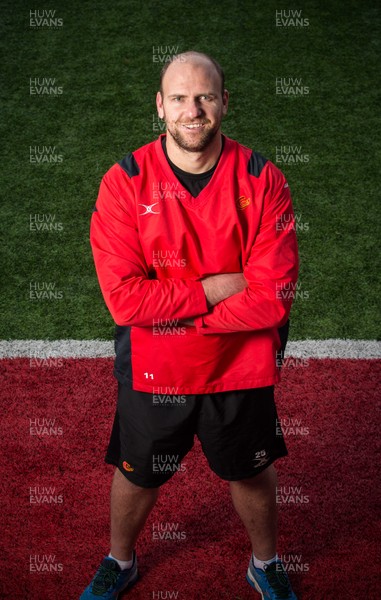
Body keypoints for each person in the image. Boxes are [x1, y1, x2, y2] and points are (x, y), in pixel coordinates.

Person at [81, 51, 299, 600]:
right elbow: (124, 301)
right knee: (139, 472)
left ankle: (265, 563)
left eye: (204, 97)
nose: (193, 109)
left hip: (238, 367)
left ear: (225, 102)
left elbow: (272, 298)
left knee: (249, 470)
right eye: (179, 98)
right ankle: (120, 560)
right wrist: (220, 286)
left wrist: (176, 317)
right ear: (160, 106)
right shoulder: (124, 182)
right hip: (156, 371)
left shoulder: (262, 179)